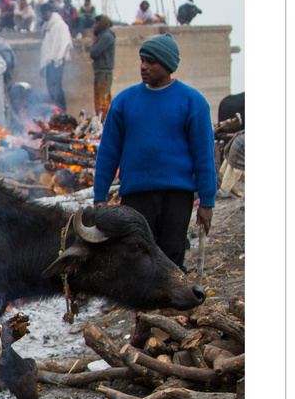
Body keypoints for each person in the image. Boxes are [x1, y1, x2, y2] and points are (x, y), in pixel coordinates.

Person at [92, 32, 215, 269]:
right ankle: (144, 305)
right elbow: (108, 152)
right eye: (142, 60)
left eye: (151, 62)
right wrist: (100, 195)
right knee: (138, 251)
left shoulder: (193, 102)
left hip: (177, 195)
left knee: (172, 250)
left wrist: (207, 201)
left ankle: (172, 304)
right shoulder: (124, 102)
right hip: (137, 194)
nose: (144, 67)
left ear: (168, 66)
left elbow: (204, 157)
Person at [39, 2, 73, 111]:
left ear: (51, 12)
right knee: (50, 88)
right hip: (49, 62)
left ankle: (62, 110)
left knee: (56, 88)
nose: (44, 16)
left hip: (57, 62)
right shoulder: (47, 27)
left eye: (45, 14)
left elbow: (65, 43)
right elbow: (46, 47)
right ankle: (55, 111)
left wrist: (58, 58)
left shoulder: (60, 25)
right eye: (42, 14)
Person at [87, 15, 116, 121]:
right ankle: (100, 121)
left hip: (104, 73)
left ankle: (105, 121)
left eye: (97, 23)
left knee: (103, 101)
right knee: (98, 100)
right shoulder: (102, 35)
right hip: (100, 72)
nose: (94, 26)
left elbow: (94, 52)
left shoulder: (107, 36)